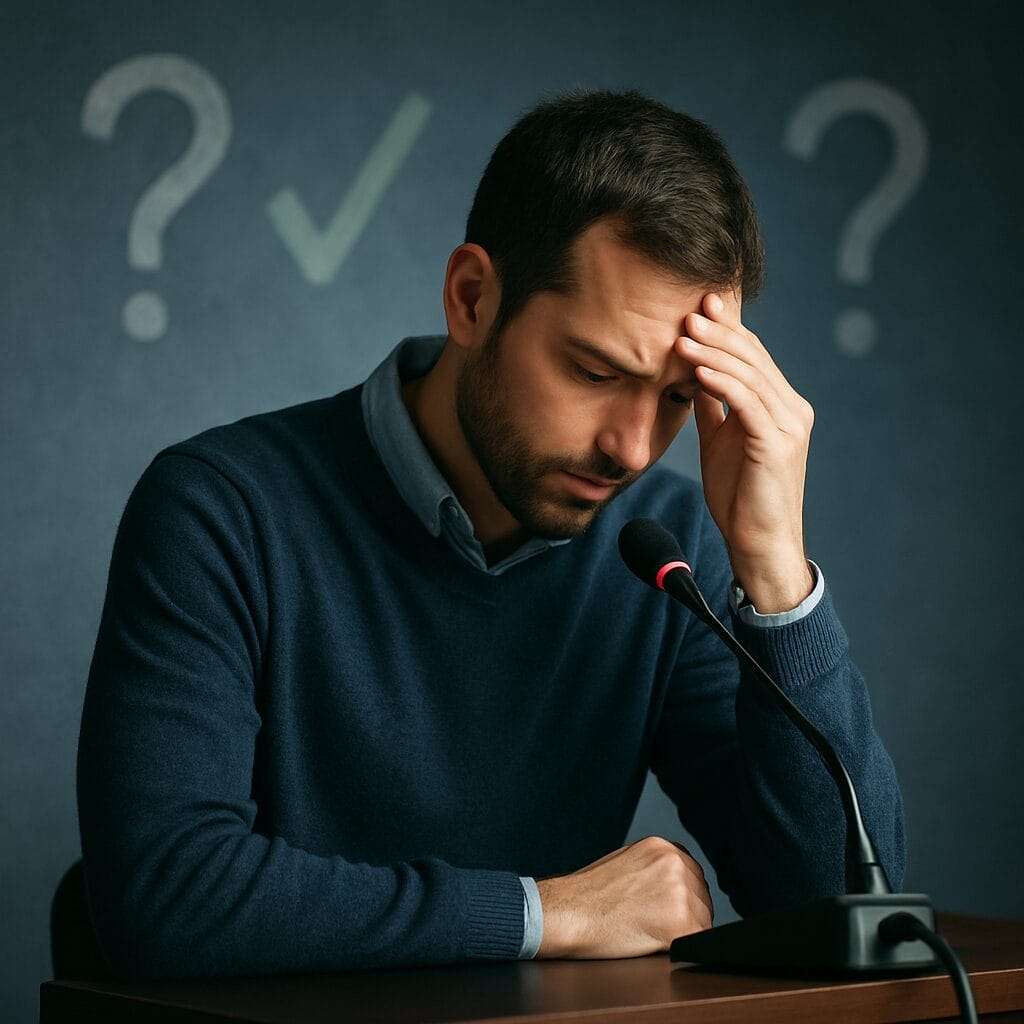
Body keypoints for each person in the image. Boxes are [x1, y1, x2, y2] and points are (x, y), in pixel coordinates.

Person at [76, 87, 906, 979]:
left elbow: (844, 906)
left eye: (677, 398)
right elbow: (161, 893)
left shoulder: (664, 553)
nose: (631, 448)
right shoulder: (222, 510)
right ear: (472, 299)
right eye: (593, 370)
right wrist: (544, 912)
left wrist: (775, 576)